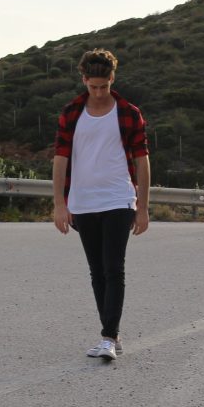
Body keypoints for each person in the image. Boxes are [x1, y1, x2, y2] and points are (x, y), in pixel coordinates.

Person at [52, 48, 151, 361]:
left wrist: (144, 206)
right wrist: (59, 204)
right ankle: (113, 333)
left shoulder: (128, 113)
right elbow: (60, 159)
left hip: (118, 198)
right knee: (96, 271)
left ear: (112, 80)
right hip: (82, 201)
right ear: (84, 80)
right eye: (92, 86)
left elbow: (142, 160)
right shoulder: (71, 113)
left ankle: (108, 337)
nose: (97, 92)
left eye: (103, 86)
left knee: (113, 268)